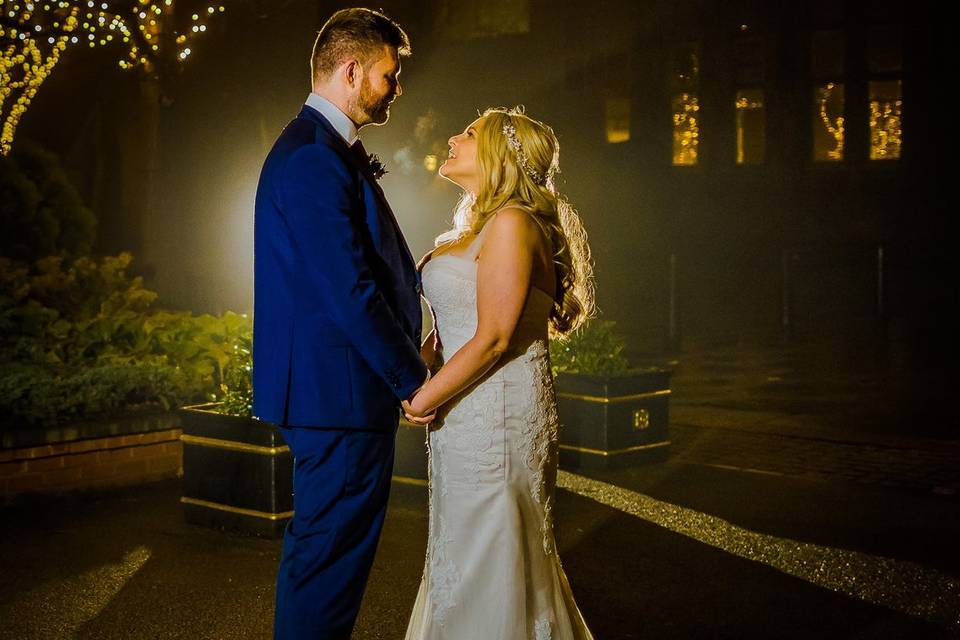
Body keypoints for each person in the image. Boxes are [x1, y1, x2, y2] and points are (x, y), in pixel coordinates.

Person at [251, 8, 433, 639]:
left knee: (327, 559)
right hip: (339, 395)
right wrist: (412, 380)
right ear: (352, 70)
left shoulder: (321, 149)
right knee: (328, 563)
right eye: (389, 73)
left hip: (337, 393)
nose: (395, 88)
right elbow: (348, 290)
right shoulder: (311, 157)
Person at [402, 107, 597, 639]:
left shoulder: (514, 223)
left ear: (499, 156)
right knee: (462, 553)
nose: (451, 138)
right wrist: (413, 367)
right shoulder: (484, 226)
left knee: (493, 554)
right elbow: (452, 328)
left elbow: (493, 336)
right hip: (465, 419)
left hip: (498, 419)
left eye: (467, 134)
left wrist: (423, 399)